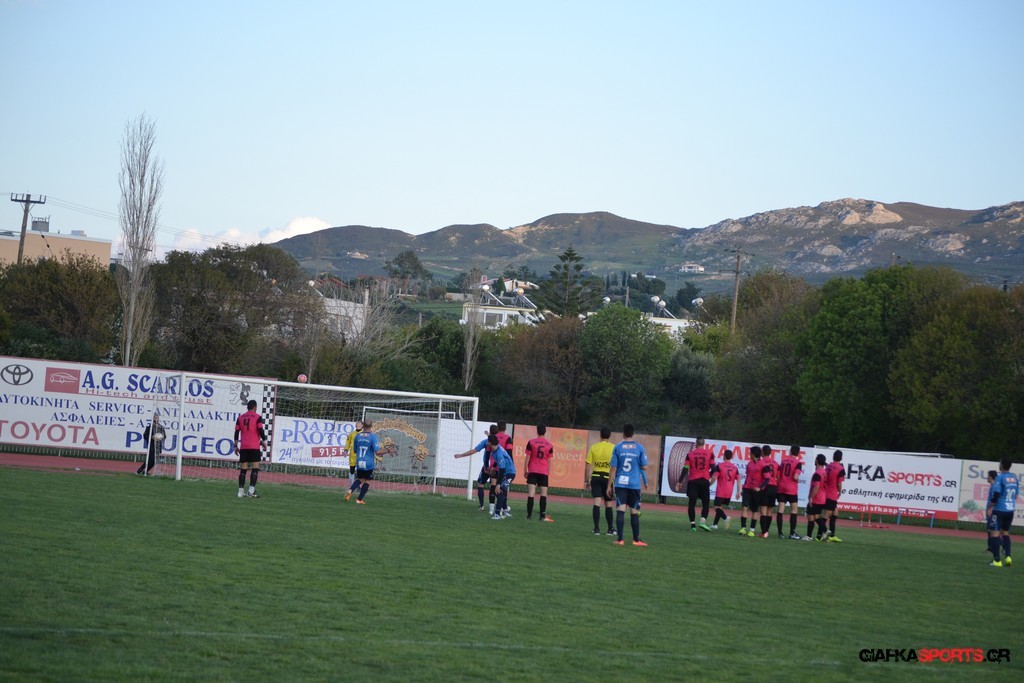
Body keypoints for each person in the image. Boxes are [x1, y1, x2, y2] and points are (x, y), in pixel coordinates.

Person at [607, 423, 648, 547]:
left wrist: (609, 485)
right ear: (633, 433)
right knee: (634, 511)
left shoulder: (618, 447)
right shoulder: (639, 448)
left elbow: (613, 467)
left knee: (621, 510)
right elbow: (645, 466)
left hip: (621, 483)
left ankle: (620, 539)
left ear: (623, 433)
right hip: (634, 484)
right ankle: (636, 540)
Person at [454, 425, 499, 513]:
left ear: (490, 431)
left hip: (487, 467)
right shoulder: (498, 443)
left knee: (480, 484)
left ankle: (482, 506)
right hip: (496, 468)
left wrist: (461, 455)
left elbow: (474, 451)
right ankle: (502, 506)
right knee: (494, 487)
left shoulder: (486, 442)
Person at [986, 458, 1019, 567]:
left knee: (994, 534)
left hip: (999, 509)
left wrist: (990, 508)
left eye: (999, 463)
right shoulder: (1014, 477)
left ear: (1002, 465)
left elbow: (996, 494)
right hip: (1010, 510)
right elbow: (1016, 495)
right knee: (1005, 533)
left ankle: (997, 561)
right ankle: (1008, 557)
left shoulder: (1000, 477)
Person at [585, 427, 617, 536]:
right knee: (608, 503)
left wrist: (587, 480)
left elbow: (588, 464)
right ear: (609, 436)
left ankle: (596, 529)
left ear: (600, 435)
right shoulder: (614, 448)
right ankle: (610, 529)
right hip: (607, 477)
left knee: (597, 502)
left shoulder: (594, 447)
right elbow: (615, 465)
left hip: (596, 476)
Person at [680, 436, 715, 532]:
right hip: (704, 480)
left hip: (693, 481)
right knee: (706, 503)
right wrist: (709, 475)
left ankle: (693, 525)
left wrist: (679, 481)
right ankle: (702, 521)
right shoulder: (710, 454)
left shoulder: (690, 454)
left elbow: (685, 468)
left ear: (696, 444)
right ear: (704, 444)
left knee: (692, 503)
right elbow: (714, 468)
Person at [234, 399, 267, 498]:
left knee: (243, 470)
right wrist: (264, 441)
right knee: (255, 468)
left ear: (247, 407)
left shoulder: (240, 418)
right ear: (255, 407)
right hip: (254, 447)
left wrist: (235, 446)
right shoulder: (258, 417)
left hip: (244, 447)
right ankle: (251, 491)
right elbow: (260, 429)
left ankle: (240, 492)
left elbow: (236, 433)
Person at [345, 419, 383, 505]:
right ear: (371, 426)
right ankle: (359, 499)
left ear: (363, 426)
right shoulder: (373, 436)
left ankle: (350, 490)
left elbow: (355, 450)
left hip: (359, 462)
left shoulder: (357, 436)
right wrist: (387, 450)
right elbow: (377, 452)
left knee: (360, 479)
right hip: (368, 463)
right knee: (367, 480)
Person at [524, 424, 555, 522]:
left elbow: (528, 457)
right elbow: (549, 460)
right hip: (543, 471)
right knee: (543, 494)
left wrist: (525, 469)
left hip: (533, 470)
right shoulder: (549, 445)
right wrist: (548, 471)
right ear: (545, 432)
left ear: (537, 431)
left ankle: (529, 515)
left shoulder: (531, 442)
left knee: (531, 493)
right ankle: (542, 516)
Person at [776, 445, 804, 539]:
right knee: (794, 510)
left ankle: (780, 533)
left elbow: (778, 475)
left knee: (780, 510)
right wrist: (798, 480)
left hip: (781, 487)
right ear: (798, 453)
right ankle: (792, 533)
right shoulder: (798, 463)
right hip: (791, 489)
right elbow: (795, 477)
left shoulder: (783, 461)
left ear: (790, 451)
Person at [487, 434, 516, 520]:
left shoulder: (498, 453)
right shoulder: (496, 448)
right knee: (500, 492)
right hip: (506, 473)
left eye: (488, 442)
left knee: (499, 491)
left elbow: (502, 470)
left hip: (510, 473)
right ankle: (504, 511)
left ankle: (497, 514)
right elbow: (498, 461)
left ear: (490, 443)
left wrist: (498, 484)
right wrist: (493, 467)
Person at [709, 449, 740, 529]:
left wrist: (709, 484)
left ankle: (726, 518)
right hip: (729, 492)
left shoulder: (720, 466)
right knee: (719, 507)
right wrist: (738, 491)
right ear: (731, 457)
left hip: (721, 490)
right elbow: (738, 480)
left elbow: (714, 477)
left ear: (724, 456)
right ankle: (715, 525)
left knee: (716, 507)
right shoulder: (735, 467)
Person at [822, 450, 846, 542]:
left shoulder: (828, 466)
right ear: (841, 458)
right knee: (827, 515)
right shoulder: (840, 468)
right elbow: (839, 483)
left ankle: (832, 535)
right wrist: (840, 492)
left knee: (835, 513)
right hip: (831, 494)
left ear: (833, 457)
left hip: (826, 492)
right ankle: (820, 535)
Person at [804, 454, 829, 541]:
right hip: (822, 498)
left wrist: (811, 497)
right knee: (816, 516)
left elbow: (816, 487)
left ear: (817, 461)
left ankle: (809, 536)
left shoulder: (817, 473)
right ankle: (826, 531)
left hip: (816, 498)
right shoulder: (824, 472)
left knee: (810, 515)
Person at [739, 446, 762, 537]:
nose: (749, 454)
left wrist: (760, 488)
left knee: (755, 510)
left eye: (750, 453)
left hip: (756, 490)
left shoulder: (763, 464)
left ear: (753, 454)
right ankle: (743, 528)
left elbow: (767, 478)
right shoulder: (749, 463)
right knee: (744, 507)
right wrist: (743, 488)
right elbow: (748, 476)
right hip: (747, 488)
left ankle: (752, 530)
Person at [757, 445, 778, 538]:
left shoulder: (761, 462)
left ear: (762, 452)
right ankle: (766, 531)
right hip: (774, 487)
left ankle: (764, 532)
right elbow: (778, 476)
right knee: (770, 510)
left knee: (763, 510)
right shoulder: (775, 463)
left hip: (765, 487)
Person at [494, 421, 514, 517]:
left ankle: (497, 509)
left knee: (495, 488)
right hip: (505, 468)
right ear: (505, 428)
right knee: (502, 489)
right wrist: (511, 464)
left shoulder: (494, 438)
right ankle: (501, 509)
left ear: (497, 428)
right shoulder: (508, 438)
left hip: (495, 466)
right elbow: (509, 452)